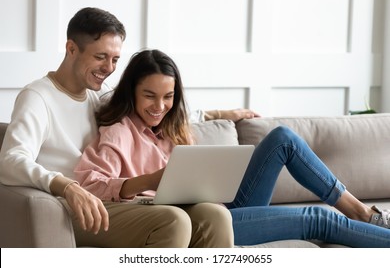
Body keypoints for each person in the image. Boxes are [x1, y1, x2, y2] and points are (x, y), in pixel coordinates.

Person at [74, 49, 390, 248]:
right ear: (132, 91)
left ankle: (360, 210)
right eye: (149, 96)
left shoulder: (174, 126)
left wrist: (224, 117)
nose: (159, 106)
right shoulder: (118, 132)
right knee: (319, 219)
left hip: (221, 207)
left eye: (168, 97)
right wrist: (149, 181)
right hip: (202, 222)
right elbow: (90, 185)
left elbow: (190, 124)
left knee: (282, 138)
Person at [0, 7, 252, 248]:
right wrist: (67, 186)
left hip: (107, 202)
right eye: (100, 57)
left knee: (215, 216)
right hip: (67, 206)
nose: (109, 68)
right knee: (173, 222)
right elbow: (11, 159)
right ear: (71, 48)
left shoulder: (98, 95)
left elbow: (156, 108)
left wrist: (218, 114)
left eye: (115, 59)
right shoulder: (38, 97)